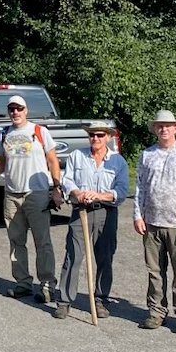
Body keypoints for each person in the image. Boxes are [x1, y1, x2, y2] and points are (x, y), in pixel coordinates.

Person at [0, 95, 63, 303]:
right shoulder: (6, 133)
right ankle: (23, 283)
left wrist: (56, 187)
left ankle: (47, 285)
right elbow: (2, 163)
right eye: (11, 110)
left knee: (42, 241)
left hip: (37, 193)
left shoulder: (39, 131)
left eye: (19, 109)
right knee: (16, 242)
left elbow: (52, 160)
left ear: (26, 110)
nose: (15, 113)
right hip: (12, 194)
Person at [133, 110, 176, 334]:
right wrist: (137, 215)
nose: (164, 129)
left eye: (168, 126)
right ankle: (156, 312)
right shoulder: (147, 155)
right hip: (151, 223)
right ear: (155, 129)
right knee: (154, 271)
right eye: (160, 126)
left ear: (175, 129)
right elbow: (140, 187)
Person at [53, 123, 129, 319]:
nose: (95, 138)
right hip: (81, 211)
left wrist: (99, 196)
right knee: (73, 256)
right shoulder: (77, 156)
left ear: (108, 137)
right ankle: (64, 300)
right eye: (92, 135)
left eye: (100, 135)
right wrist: (78, 193)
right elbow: (67, 180)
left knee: (105, 258)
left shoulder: (118, 161)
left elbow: (121, 191)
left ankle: (100, 300)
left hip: (106, 212)